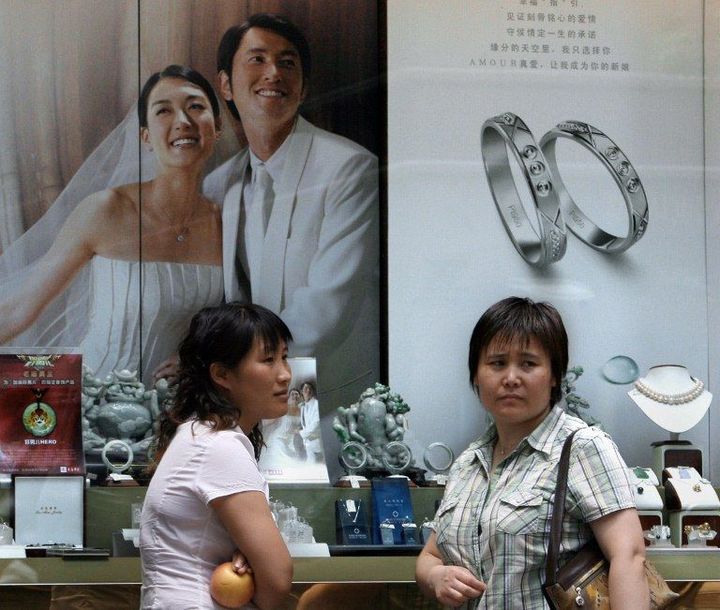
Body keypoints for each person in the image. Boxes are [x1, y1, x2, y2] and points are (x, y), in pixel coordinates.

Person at [415, 297, 649, 609]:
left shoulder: (581, 447)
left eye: (528, 363)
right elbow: (430, 556)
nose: (511, 378)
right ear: (476, 374)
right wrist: (436, 577)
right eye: (497, 363)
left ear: (554, 375)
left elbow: (629, 557)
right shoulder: (467, 464)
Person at [0, 65, 224, 387]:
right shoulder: (106, 209)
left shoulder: (226, 224)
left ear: (216, 128)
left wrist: (200, 359)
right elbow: (19, 308)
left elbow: (239, 324)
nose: (183, 122)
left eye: (195, 107)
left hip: (181, 408)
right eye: (164, 110)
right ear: (145, 137)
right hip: (92, 403)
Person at [204, 12, 379, 414]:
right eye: (257, 59)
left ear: (302, 88)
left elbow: (326, 307)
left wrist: (242, 366)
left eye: (287, 63)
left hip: (329, 400)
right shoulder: (219, 184)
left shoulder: (348, 167)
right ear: (226, 85)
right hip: (237, 401)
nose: (274, 74)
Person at [140, 302, 293, 609]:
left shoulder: (202, 434)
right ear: (222, 374)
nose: (285, 375)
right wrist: (254, 567)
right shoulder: (220, 445)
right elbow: (277, 579)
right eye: (268, 360)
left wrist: (249, 557)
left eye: (284, 358)